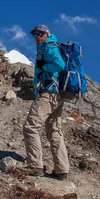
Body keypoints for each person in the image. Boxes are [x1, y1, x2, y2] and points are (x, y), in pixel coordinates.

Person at [18, 24, 70, 181]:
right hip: (57, 96)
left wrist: (44, 66)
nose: (37, 37)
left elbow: (59, 65)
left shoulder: (49, 47)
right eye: (35, 34)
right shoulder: (49, 46)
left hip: (48, 94)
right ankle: (61, 170)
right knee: (54, 130)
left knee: (30, 127)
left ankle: (35, 166)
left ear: (47, 34)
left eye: (40, 33)